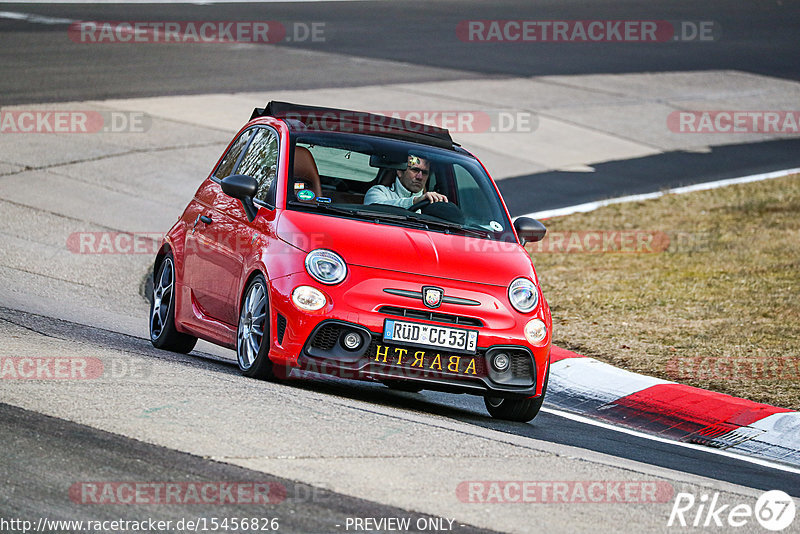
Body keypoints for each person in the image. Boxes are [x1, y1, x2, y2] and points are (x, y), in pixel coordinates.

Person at [363, 155, 448, 208]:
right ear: (399, 172)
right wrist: (415, 201)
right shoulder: (378, 192)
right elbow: (376, 208)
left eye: (425, 173)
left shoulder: (434, 201)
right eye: (415, 170)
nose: (420, 177)